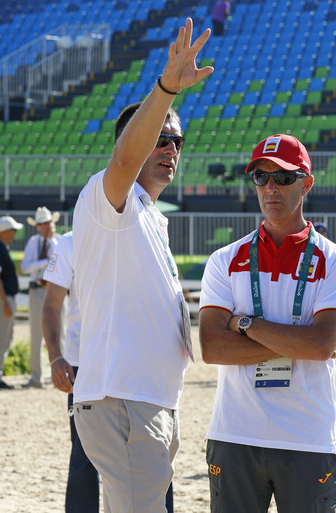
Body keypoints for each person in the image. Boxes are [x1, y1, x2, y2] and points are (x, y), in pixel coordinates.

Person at [70, 18, 212, 513]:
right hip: (123, 400)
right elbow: (125, 160)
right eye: (161, 137)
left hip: (145, 399)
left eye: (178, 142)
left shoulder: (150, 216)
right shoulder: (110, 195)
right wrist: (167, 88)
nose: (171, 148)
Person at [198, 133, 336, 513]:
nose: (271, 187)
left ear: (307, 183)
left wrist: (245, 323)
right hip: (234, 434)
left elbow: (320, 346)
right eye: (261, 177)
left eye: (284, 177)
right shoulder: (224, 259)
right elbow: (212, 348)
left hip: (306, 438)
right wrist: (300, 341)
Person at [42, 231, 101, 513]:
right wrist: (55, 357)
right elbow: (52, 304)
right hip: (84, 366)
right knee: (83, 457)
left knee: (140, 457)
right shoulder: (72, 241)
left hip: (132, 363)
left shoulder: (142, 230)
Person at [20, 206, 62, 388]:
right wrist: (45, 262)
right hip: (38, 290)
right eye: (41, 224)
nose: (45, 226)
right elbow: (24, 267)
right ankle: (36, 376)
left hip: (57, 291)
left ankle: (61, 375)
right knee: (36, 334)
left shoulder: (59, 242)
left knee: (61, 334)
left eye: (47, 223)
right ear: (37, 226)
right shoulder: (33, 242)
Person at [0, 215, 23, 390]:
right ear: (6, 231)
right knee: (1, 339)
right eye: (13, 230)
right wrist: (5, 303)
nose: (15, 234)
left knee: (4, 338)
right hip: (2, 299)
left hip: (1, 298)